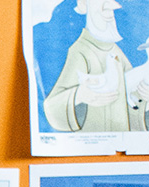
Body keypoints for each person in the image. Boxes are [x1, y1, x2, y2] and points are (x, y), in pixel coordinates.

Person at [43, 0, 133, 133]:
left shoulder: (116, 51)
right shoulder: (79, 51)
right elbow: (52, 105)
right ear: (84, 4)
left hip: (123, 144)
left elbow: (134, 95)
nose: (110, 6)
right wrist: (78, 96)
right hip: (89, 144)